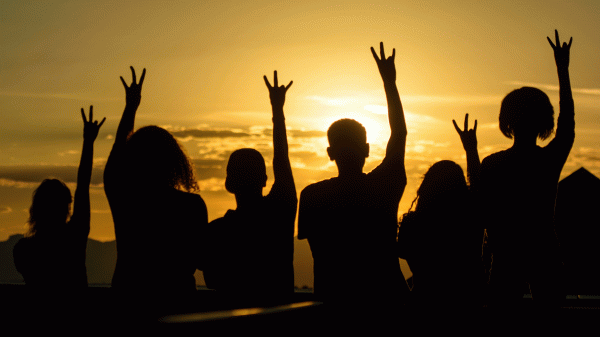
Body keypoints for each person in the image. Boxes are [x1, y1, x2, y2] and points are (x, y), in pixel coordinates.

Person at [298, 43, 409, 312]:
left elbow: (319, 254)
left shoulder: (312, 196)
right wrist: (389, 83)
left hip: (334, 304)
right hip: (387, 303)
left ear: (329, 152)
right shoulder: (384, 186)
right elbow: (399, 135)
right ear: (368, 150)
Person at [480, 30, 574, 309]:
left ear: (507, 121)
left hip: (506, 258)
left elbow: (483, 214)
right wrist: (563, 70)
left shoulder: (493, 164)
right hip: (544, 254)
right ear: (544, 121)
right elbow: (568, 123)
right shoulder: (547, 161)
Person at [103, 67, 208, 309]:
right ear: (174, 161)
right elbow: (201, 259)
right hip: (178, 301)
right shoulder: (191, 206)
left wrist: (130, 109)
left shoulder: (126, 202)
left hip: (129, 299)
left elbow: (115, 159)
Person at [203, 71, 297, 307]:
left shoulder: (217, 231)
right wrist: (277, 111)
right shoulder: (280, 212)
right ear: (265, 180)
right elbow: (282, 161)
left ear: (227, 184)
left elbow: (212, 279)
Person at [397, 114, 484, 312]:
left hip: (424, 303)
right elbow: (479, 189)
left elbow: (396, 261)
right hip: (467, 304)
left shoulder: (413, 224)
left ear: (426, 188)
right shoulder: (470, 219)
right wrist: (471, 150)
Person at [13, 107, 104, 290]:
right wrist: (88, 143)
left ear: (35, 209)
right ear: (67, 207)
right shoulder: (74, 238)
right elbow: (83, 186)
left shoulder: (23, 250)